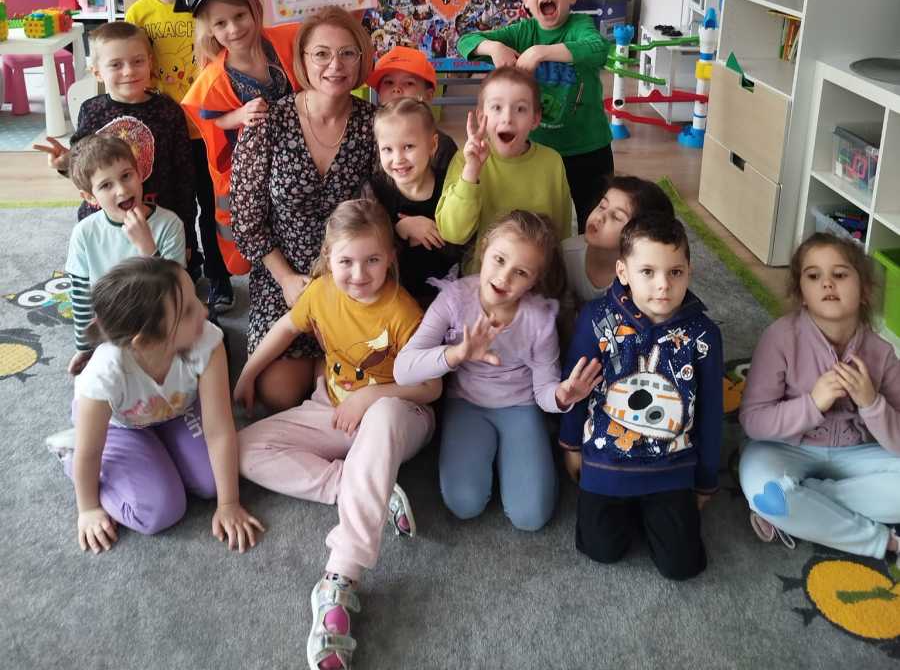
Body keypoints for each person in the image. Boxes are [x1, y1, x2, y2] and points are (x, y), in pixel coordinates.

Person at [234, 199, 439, 670]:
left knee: (383, 414)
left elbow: (432, 387)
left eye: (372, 260)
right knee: (244, 448)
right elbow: (286, 328)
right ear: (329, 258)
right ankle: (362, 486)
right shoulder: (322, 291)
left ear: (390, 258)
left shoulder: (403, 312)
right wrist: (247, 373)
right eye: (346, 261)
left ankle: (339, 579)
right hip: (332, 409)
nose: (359, 273)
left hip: (400, 415)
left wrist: (372, 397)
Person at [394, 210, 600, 532]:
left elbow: (544, 390)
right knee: (464, 503)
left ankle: (515, 457)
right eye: (499, 260)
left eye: (521, 272)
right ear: (484, 249)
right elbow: (403, 370)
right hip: (467, 403)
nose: (504, 278)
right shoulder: (454, 299)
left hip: (520, 405)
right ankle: (493, 460)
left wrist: (562, 396)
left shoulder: (538, 320)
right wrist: (457, 353)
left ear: (535, 280)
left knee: (531, 517)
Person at [46, 256, 264, 554]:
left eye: (196, 298)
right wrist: (88, 508)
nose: (204, 310)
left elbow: (219, 429)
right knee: (158, 512)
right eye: (188, 311)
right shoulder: (104, 373)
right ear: (145, 341)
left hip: (174, 411)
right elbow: (91, 452)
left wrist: (229, 504)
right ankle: (67, 452)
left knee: (215, 482)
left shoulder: (207, 341)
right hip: (120, 425)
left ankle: (161, 450)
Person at [230, 6, 379, 412]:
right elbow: (246, 219)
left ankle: (324, 372)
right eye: (322, 54)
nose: (335, 65)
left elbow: (389, 204)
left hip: (353, 276)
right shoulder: (268, 121)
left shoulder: (375, 124)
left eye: (348, 53)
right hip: (285, 272)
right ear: (303, 59)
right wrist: (285, 279)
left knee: (356, 384)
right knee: (278, 393)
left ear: (362, 59)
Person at [560, 213, 724, 580]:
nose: (663, 285)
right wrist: (570, 445)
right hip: (607, 461)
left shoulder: (705, 334)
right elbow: (574, 385)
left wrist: (705, 480)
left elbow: (712, 413)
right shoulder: (596, 318)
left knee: (682, 566)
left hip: (671, 469)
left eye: (675, 272)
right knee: (601, 550)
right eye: (647, 272)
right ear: (622, 272)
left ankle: (653, 513)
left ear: (689, 271)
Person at [739, 233, 900, 559]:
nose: (827, 283)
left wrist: (871, 404)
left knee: (780, 501)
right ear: (801, 294)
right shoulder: (780, 338)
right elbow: (753, 422)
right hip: (784, 449)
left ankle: (810, 500)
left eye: (839, 274)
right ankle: (882, 541)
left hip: (859, 452)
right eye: (813, 276)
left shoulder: (881, 353)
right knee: (766, 493)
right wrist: (812, 403)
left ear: (865, 290)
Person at [456, 0, 613, 231]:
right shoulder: (521, 32)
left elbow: (598, 48)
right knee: (540, 222)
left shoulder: (580, 25)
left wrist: (541, 52)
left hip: (588, 147)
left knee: (596, 222)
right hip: (537, 150)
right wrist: (494, 48)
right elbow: (465, 41)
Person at [125, 0, 232, 310]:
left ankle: (219, 276)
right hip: (162, 131)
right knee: (174, 207)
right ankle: (185, 269)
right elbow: (126, 63)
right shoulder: (139, 12)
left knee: (213, 206)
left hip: (207, 128)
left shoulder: (207, 7)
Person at [179, 0, 300, 279]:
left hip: (298, 159)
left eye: (239, 16)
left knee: (295, 223)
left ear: (254, 9)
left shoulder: (287, 41)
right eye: (220, 24)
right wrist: (238, 115)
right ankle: (269, 275)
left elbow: (335, 40)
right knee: (259, 229)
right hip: (253, 170)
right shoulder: (214, 78)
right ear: (210, 29)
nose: (233, 29)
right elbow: (210, 121)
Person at [35, 22, 195, 244]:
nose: (128, 71)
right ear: (97, 72)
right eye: (116, 65)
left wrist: (187, 236)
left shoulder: (168, 111)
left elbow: (185, 177)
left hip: (159, 221)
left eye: (137, 61)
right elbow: (84, 167)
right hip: (103, 220)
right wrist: (65, 163)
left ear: (150, 62)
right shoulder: (91, 110)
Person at [66, 134, 186, 374]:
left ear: (139, 173)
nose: (122, 190)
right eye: (106, 185)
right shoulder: (84, 233)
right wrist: (86, 349)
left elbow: (178, 294)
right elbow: (80, 296)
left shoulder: (170, 224)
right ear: (90, 197)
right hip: (113, 333)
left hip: (160, 325)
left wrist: (147, 248)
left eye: (126, 176)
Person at [435, 67, 572, 267]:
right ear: (481, 117)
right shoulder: (465, 160)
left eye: (520, 109)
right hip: (482, 278)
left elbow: (562, 232)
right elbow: (453, 232)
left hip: (537, 276)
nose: (507, 118)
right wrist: (471, 171)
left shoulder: (552, 162)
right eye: (497, 107)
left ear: (535, 119)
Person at [369, 98, 464, 307]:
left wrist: (438, 232)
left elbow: (462, 241)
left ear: (432, 145)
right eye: (387, 149)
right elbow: (367, 242)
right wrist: (400, 230)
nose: (398, 159)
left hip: (445, 294)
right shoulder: (376, 190)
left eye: (408, 146)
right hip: (394, 296)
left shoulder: (449, 187)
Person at [561, 176, 675, 308]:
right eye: (602, 206)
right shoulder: (564, 255)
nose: (600, 217)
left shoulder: (644, 280)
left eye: (616, 217)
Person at [367, 45, 457, 173]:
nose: (396, 89)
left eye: (409, 83)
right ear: (379, 93)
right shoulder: (366, 137)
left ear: (428, 95)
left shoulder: (443, 147)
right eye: (389, 82)